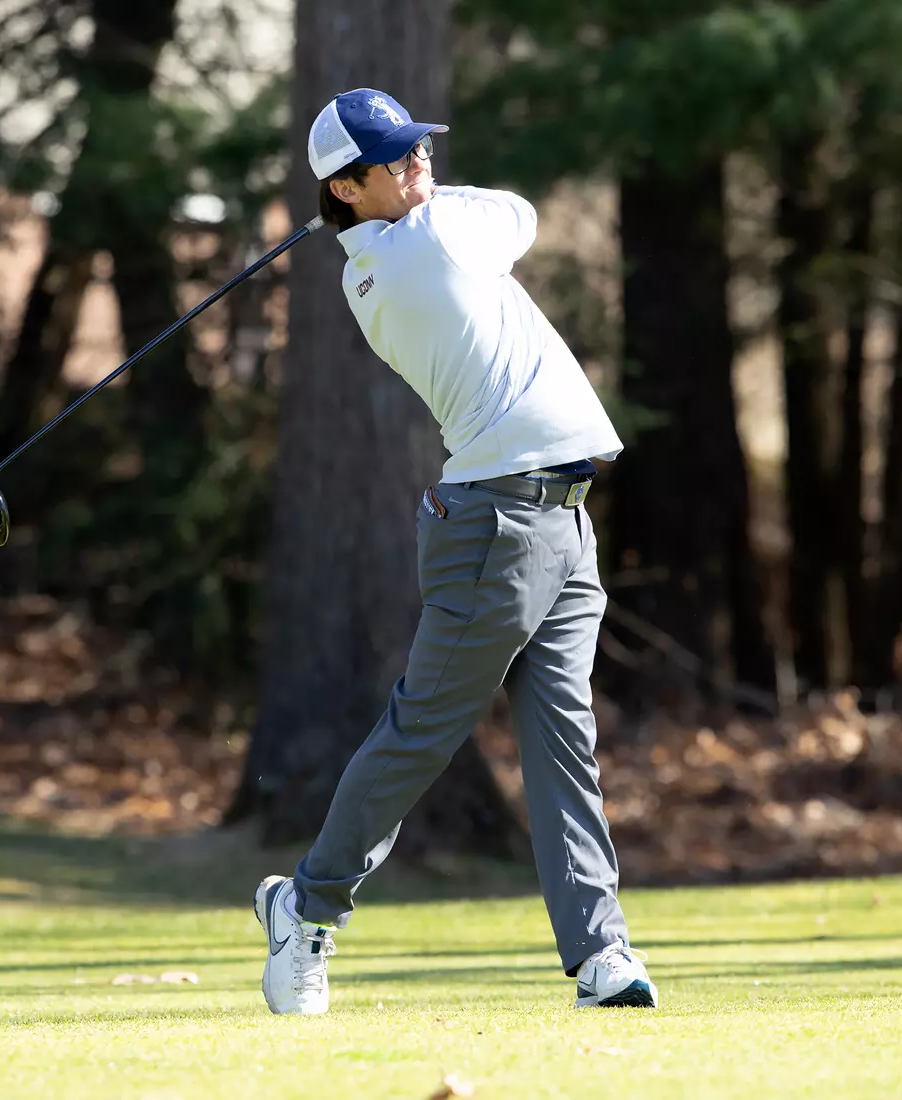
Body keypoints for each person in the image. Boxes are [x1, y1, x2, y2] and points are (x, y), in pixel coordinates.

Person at [254, 87, 657, 1015]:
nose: (419, 167)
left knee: (565, 747)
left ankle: (600, 955)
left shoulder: (394, 246)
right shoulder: (427, 246)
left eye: (417, 151)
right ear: (346, 189)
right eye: (396, 162)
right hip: (500, 524)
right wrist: (431, 200)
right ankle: (306, 909)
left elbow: (499, 219)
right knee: (423, 732)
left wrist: (414, 190)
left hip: (561, 517)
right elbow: (520, 213)